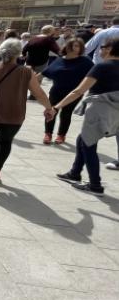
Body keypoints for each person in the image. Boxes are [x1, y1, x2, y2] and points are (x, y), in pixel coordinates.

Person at [0, 39, 55, 188]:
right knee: (5, 142)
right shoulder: (26, 72)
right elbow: (38, 93)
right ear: (19, 54)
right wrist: (49, 108)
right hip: (14, 115)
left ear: (0, 52)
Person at [55, 38, 119, 196]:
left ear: (111, 49)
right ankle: (75, 173)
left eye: (103, 47)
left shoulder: (102, 67)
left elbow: (78, 91)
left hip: (100, 109)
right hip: (116, 110)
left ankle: (95, 184)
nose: (100, 50)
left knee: (88, 145)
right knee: (82, 139)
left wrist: (57, 106)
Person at [41, 38, 94, 144]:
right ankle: (48, 133)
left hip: (74, 93)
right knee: (50, 111)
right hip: (56, 90)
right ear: (67, 46)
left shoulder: (85, 61)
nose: (75, 48)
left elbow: (94, 75)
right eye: (72, 45)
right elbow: (45, 72)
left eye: (77, 46)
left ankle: (61, 135)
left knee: (66, 113)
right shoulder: (60, 59)